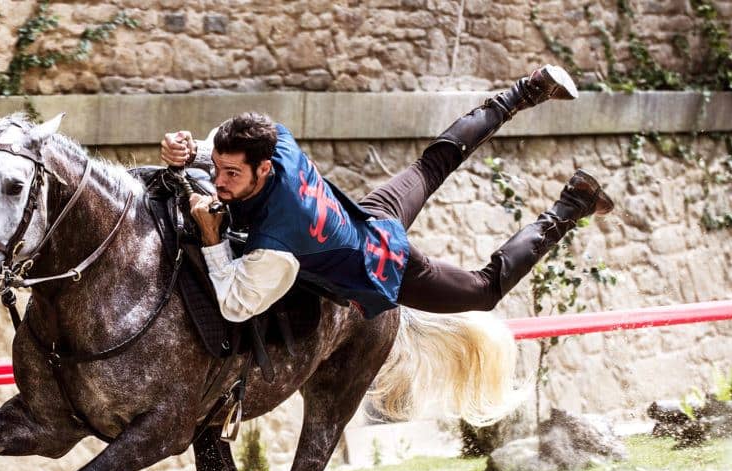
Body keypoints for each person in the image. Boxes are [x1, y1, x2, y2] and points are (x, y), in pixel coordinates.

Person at [159, 65, 614, 322]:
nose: (219, 181)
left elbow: (237, 306)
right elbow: (225, 143)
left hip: (385, 265)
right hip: (368, 214)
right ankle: (528, 87)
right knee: (433, 164)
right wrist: (192, 152)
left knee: (485, 291)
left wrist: (214, 239)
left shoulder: (276, 244)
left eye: (231, 174)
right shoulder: (274, 137)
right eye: (217, 169)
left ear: (263, 167)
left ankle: (571, 204)